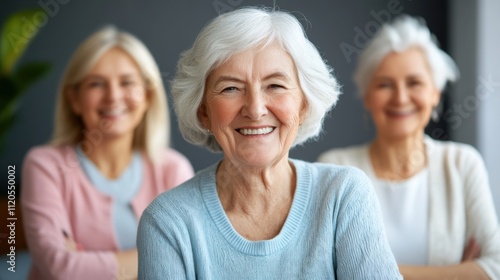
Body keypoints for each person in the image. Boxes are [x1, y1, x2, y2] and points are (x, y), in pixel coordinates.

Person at [137, 7, 402, 279]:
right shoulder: (167, 222)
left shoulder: (343, 195)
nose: (255, 109)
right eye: (231, 88)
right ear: (203, 111)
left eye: (275, 85)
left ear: (303, 105)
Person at [318, 15, 500, 279]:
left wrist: (367, 270)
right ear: (368, 96)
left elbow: (495, 268)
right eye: (384, 85)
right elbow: (319, 270)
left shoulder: (461, 164)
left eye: (414, 83)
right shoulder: (334, 166)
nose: (401, 98)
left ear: (435, 93)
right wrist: (456, 273)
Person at [21, 26, 194, 280]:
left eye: (127, 83)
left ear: (147, 96)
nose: (113, 97)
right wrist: (160, 256)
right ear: (74, 99)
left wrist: (84, 264)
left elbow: (190, 262)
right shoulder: (44, 165)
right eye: (96, 84)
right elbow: (60, 269)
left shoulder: (173, 168)